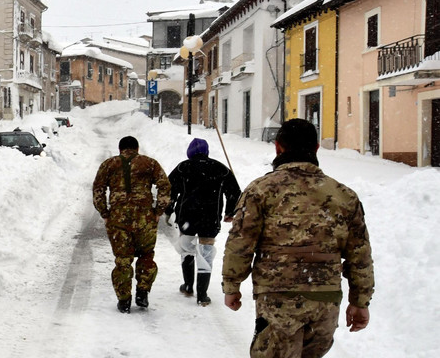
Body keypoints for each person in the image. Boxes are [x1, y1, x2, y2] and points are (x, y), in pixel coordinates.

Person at [222, 119, 374, 357]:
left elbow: (240, 243)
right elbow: (360, 255)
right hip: (325, 300)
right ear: (315, 149)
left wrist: (232, 285)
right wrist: (360, 301)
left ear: (277, 147)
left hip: (277, 298)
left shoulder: (260, 190)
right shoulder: (344, 195)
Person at [93, 135, 171, 314]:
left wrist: (105, 213)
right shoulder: (150, 164)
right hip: (145, 219)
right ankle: (142, 291)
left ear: (120, 149)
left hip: (118, 219)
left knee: (123, 260)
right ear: (137, 148)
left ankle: (124, 299)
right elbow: (164, 186)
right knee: (146, 256)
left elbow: (98, 189)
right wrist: (158, 211)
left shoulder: (109, 164)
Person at [165, 137, 241, 306]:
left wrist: (168, 210)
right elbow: (235, 192)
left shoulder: (183, 167)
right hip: (210, 218)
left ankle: (187, 286)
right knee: (206, 252)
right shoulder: (221, 169)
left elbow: (170, 190)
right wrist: (230, 211)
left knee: (187, 250)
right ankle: (202, 295)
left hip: (187, 217)